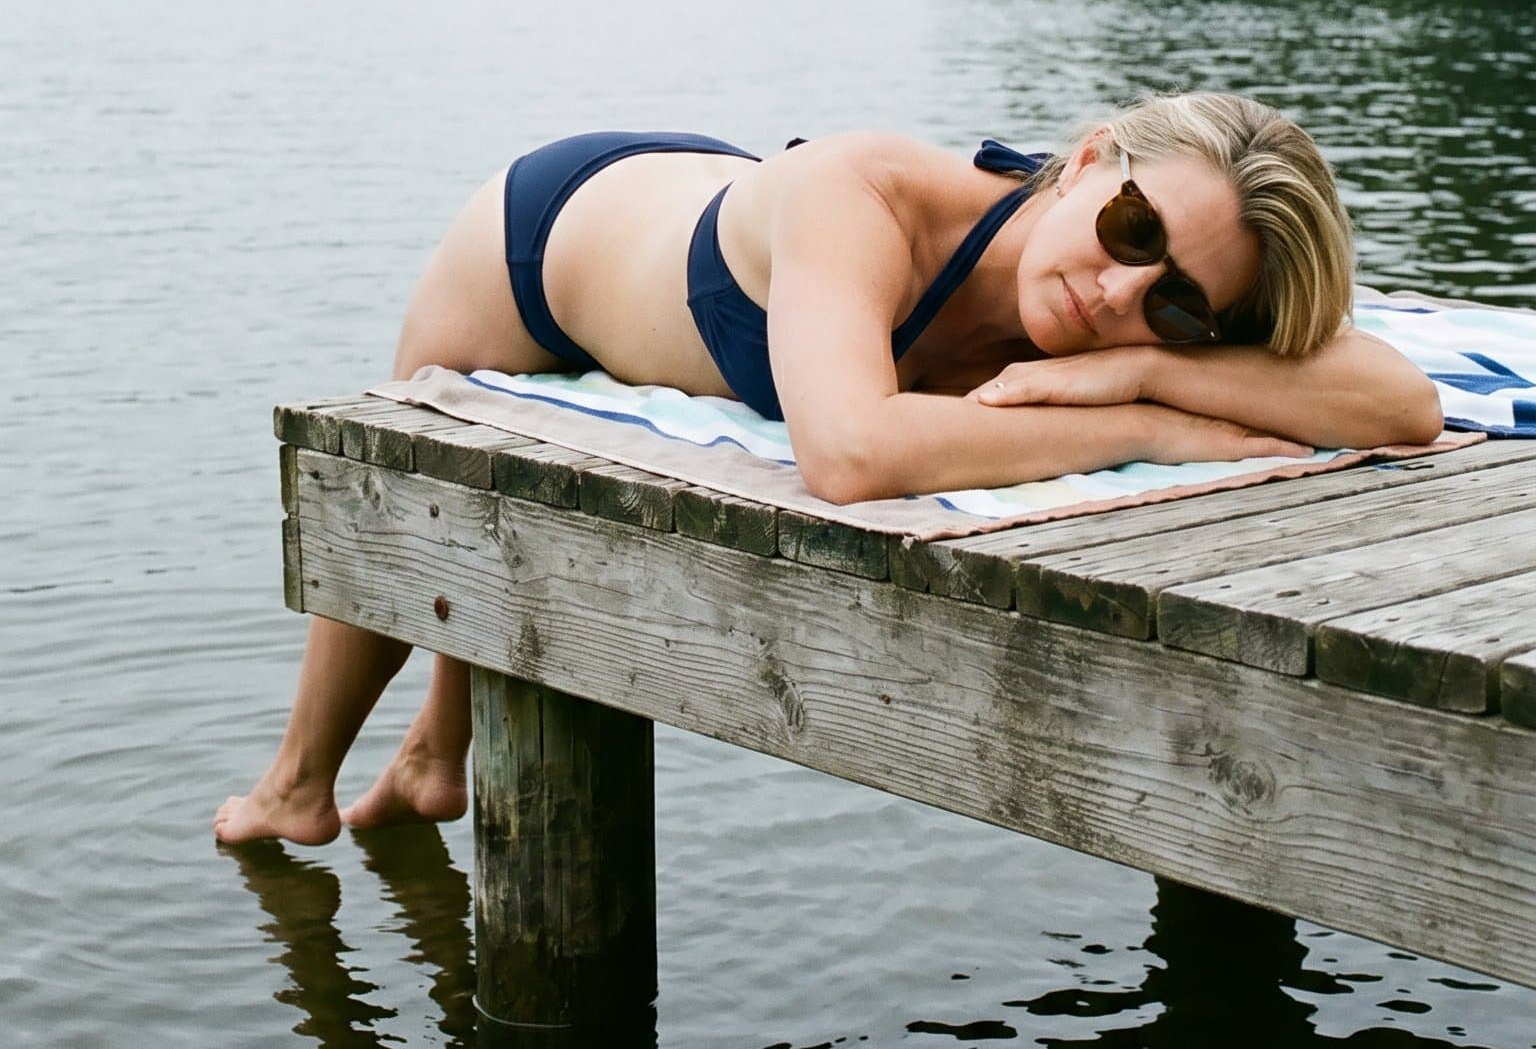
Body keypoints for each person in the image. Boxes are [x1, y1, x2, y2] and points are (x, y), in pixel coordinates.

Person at [214, 93, 1441, 846]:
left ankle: (436, 758)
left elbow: (1402, 402)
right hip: (549, 233)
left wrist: (1135, 369)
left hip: (699, 196)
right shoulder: (871, 193)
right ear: (1087, 158)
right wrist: (1143, 422)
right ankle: (296, 785)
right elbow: (849, 455)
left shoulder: (1113, 330)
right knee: (410, 479)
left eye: (1177, 305)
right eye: (1134, 233)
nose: (1122, 290)